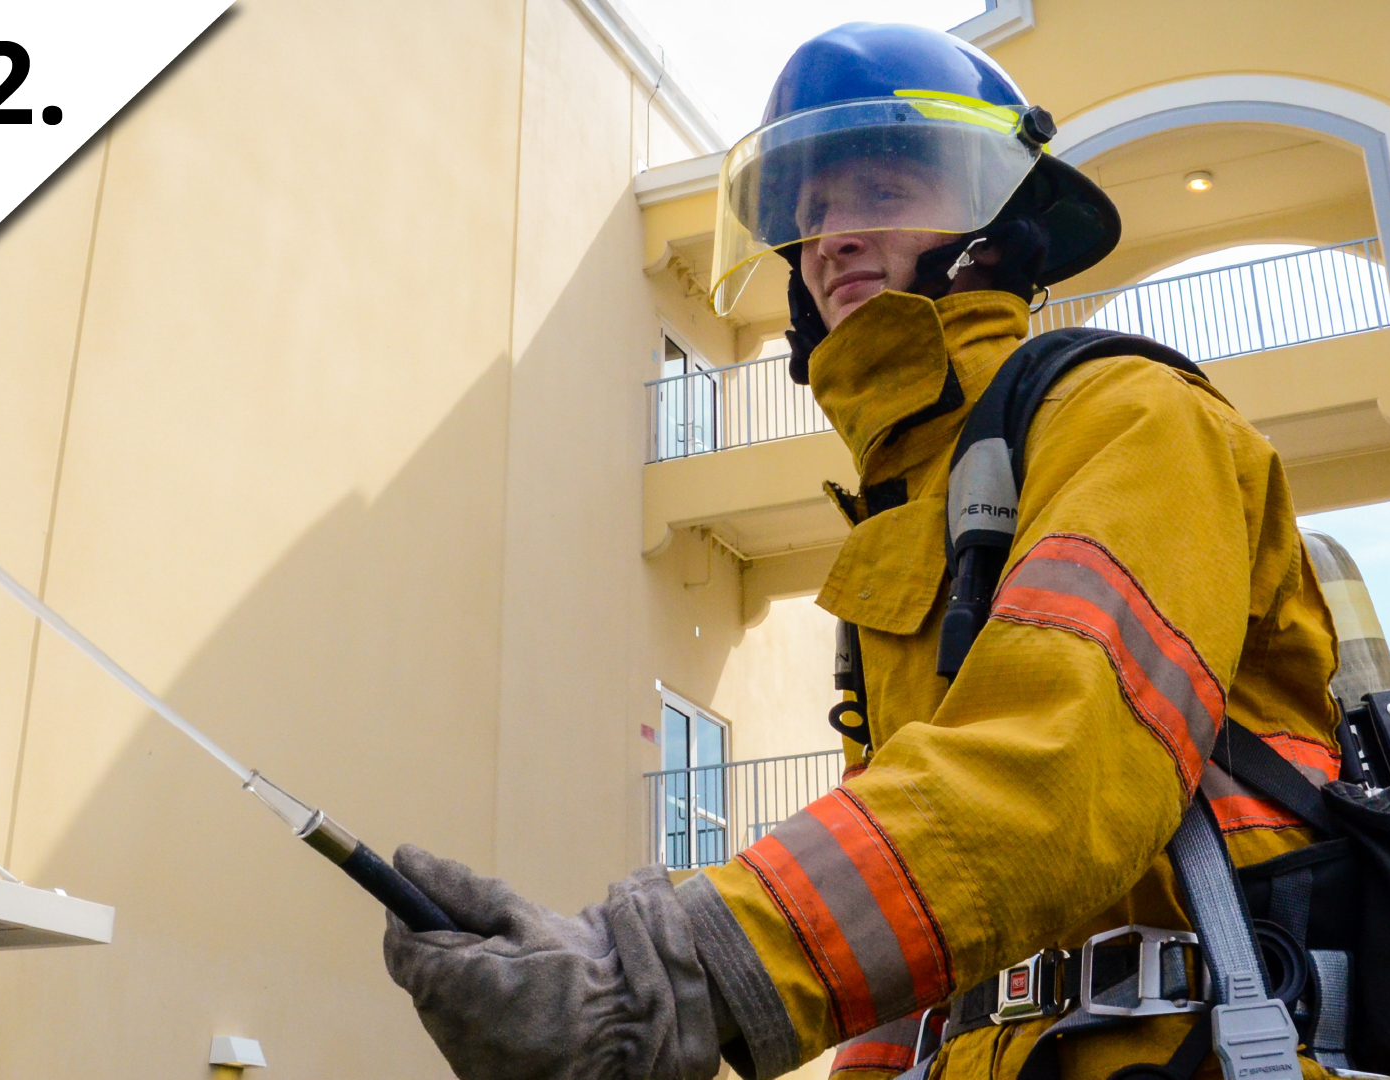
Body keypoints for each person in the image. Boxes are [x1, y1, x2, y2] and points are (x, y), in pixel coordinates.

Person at [382, 23, 1341, 1080]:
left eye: (880, 192)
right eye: (810, 216)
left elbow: (1053, 772)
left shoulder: (1132, 419)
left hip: (1207, 1050)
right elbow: (913, 932)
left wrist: (659, 975)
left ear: (993, 216)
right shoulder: (910, 510)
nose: (830, 238)